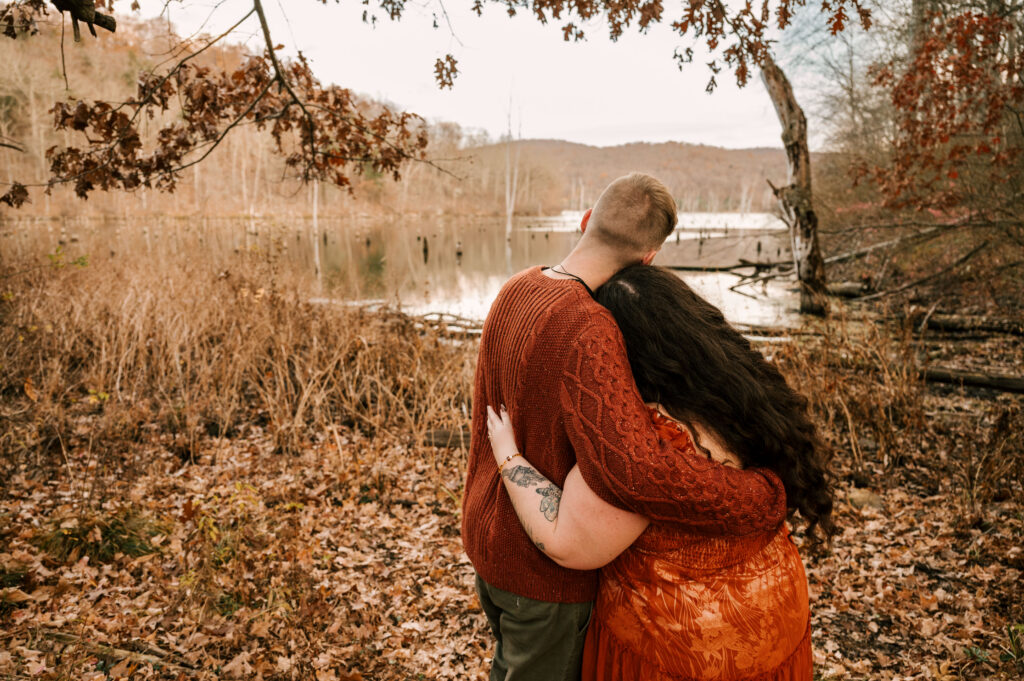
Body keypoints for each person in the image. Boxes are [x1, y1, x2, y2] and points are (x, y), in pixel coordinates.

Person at [461, 173, 789, 681]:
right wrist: (757, 496)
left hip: (487, 537)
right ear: (650, 258)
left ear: (586, 219)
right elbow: (637, 470)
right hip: (542, 575)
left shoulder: (517, 285)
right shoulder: (591, 328)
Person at [485, 263, 837, 681]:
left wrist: (509, 457)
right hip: (776, 615)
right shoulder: (743, 390)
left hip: (684, 647)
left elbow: (567, 542)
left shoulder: (648, 438)